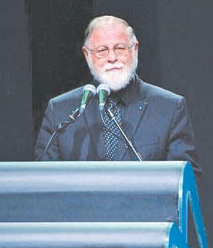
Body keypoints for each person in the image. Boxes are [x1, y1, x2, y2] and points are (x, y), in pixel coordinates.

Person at [34, 15, 202, 175]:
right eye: (102, 50)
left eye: (120, 48)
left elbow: (184, 180)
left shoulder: (169, 108)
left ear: (135, 49)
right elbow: (44, 181)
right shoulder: (60, 111)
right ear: (87, 55)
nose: (112, 57)